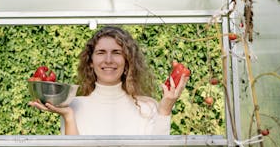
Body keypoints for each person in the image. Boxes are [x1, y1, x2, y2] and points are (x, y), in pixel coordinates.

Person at [28, 26, 189, 135]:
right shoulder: (73, 106)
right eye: (101, 52)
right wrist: (68, 116)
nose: (108, 60)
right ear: (90, 62)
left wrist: (165, 110)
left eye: (117, 52)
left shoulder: (148, 108)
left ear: (127, 61)